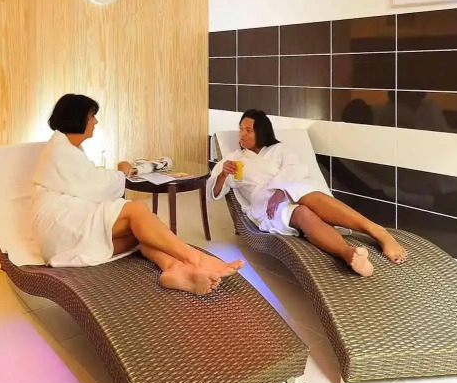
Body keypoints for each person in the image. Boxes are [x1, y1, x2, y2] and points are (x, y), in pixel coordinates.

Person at [32, 94, 243, 295]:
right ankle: (196, 259)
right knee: (137, 210)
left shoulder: (66, 148)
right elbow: (95, 187)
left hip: (68, 231)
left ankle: (174, 268)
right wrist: (122, 172)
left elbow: (87, 180)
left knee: (144, 232)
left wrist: (119, 173)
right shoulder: (61, 151)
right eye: (92, 116)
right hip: (61, 228)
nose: (95, 122)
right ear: (78, 119)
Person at [209, 109, 407, 277]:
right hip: (266, 207)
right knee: (303, 213)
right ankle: (348, 254)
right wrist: (223, 175)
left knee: (309, 195)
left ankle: (378, 232)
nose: (242, 134)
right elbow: (214, 193)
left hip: (290, 192)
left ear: (261, 132)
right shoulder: (233, 160)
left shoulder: (279, 149)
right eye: (241, 129)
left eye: (248, 130)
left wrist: (281, 190)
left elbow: (295, 169)